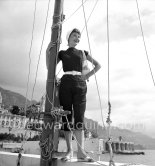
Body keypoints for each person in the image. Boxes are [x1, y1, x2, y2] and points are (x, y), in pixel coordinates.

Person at [46, 28, 101, 161]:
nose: (77, 38)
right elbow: (50, 68)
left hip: (80, 85)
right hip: (65, 84)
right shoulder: (62, 53)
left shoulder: (83, 52)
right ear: (68, 37)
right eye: (75, 35)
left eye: (79, 36)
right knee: (66, 117)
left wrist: (86, 76)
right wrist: (48, 51)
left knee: (79, 118)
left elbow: (98, 65)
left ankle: (81, 153)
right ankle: (69, 151)